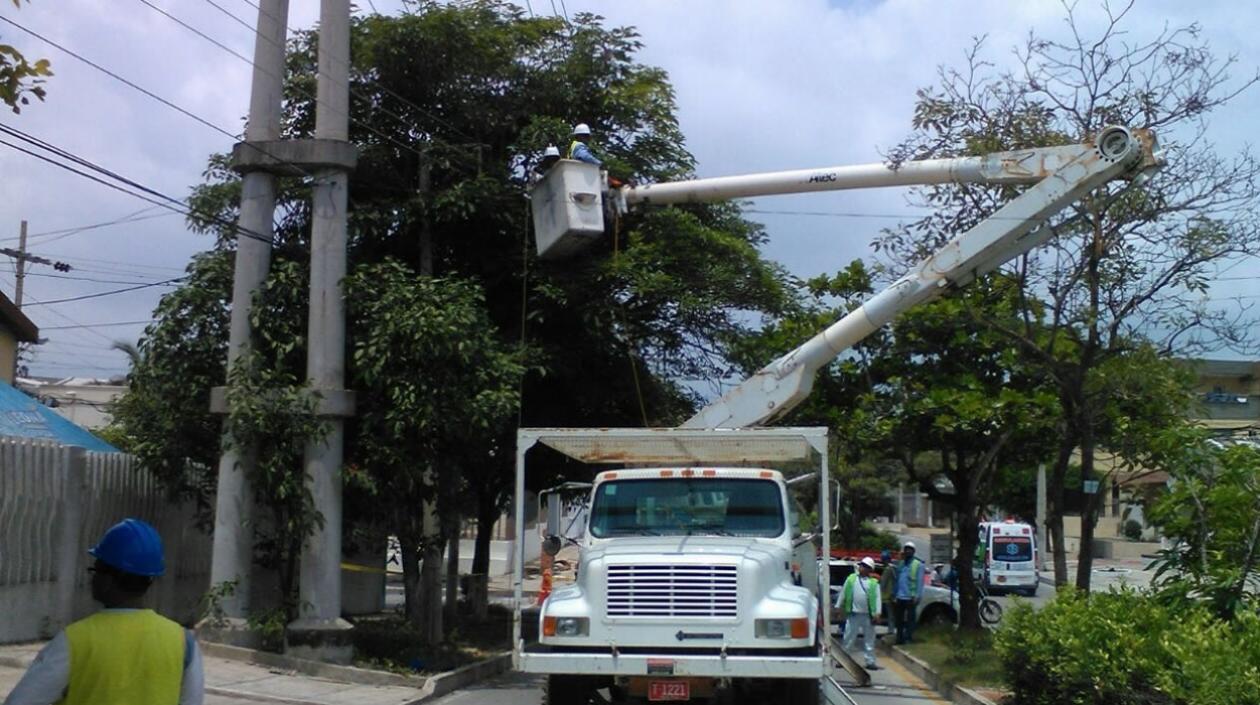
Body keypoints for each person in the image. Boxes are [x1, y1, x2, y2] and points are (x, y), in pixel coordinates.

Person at [6, 518, 205, 705]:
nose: (92, 578)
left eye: (95, 570)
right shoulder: (183, 642)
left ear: (108, 580)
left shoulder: (75, 641)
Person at [836, 557, 881, 670]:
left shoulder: (874, 583)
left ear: (870, 569)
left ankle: (870, 661)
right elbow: (843, 593)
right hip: (853, 614)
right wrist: (838, 606)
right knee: (848, 638)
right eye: (862, 565)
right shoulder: (851, 579)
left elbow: (877, 598)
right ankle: (843, 659)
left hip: (868, 616)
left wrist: (877, 613)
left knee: (869, 640)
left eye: (865, 566)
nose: (862, 567)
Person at [892, 540, 926, 645]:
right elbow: (897, 580)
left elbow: (920, 582)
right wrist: (894, 594)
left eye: (910, 550)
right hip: (900, 596)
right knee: (899, 619)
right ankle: (899, 638)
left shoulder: (918, 564)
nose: (907, 551)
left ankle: (908, 638)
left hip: (911, 596)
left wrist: (918, 595)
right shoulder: (901, 564)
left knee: (910, 619)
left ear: (913, 551)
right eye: (906, 549)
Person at [878, 549, 897, 634]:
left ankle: (891, 630)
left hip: (888, 595)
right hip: (889, 595)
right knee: (891, 614)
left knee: (890, 615)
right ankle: (891, 629)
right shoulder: (893, 568)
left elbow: (883, 583)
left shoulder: (888, 569)